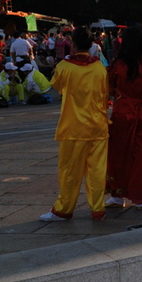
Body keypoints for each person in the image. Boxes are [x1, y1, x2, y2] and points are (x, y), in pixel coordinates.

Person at [39, 27, 109, 222]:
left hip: (73, 126)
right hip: (98, 125)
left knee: (70, 170)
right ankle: (97, 209)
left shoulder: (64, 67)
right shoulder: (99, 68)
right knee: (97, 170)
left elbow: (57, 86)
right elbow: (105, 94)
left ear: (73, 44)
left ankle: (64, 209)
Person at [104, 26, 142, 209]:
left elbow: (110, 87)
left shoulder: (118, 64)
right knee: (140, 153)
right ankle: (139, 196)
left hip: (123, 111)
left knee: (119, 154)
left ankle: (118, 194)